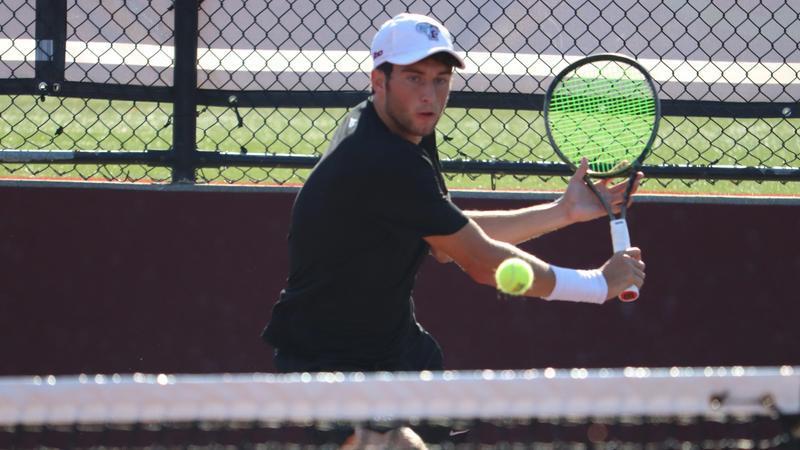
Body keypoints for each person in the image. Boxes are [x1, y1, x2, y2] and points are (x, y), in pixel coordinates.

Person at [262, 12, 645, 448]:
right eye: (414, 78)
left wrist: (563, 211)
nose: (430, 95)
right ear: (378, 81)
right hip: (329, 361)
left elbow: (448, 238)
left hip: (397, 350)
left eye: (441, 80)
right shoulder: (383, 159)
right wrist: (597, 284)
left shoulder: (400, 127)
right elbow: (480, 261)